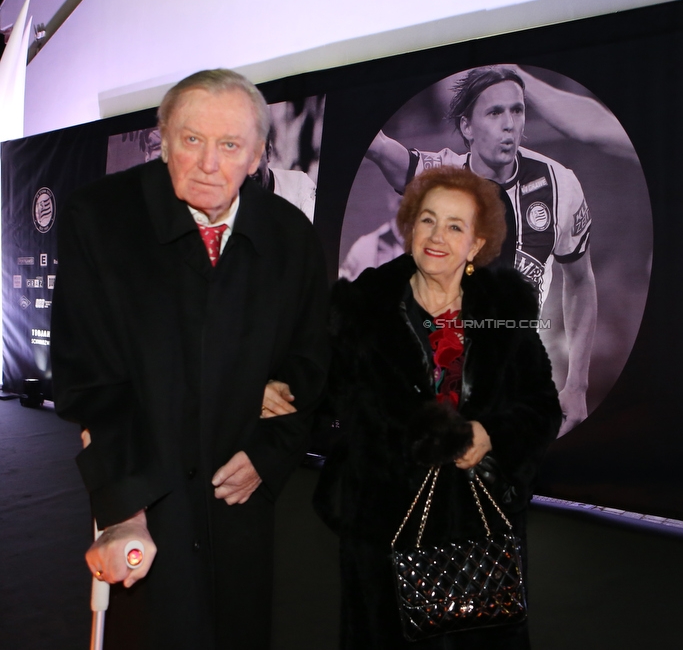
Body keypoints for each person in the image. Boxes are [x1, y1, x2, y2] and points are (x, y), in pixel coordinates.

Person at [51, 69, 329, 650]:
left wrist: (269, 454)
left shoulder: (290, 235)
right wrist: (127, 505)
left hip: (241, 488)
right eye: (191, 140)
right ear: (163, 138)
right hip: (150, 488)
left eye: (230, 146)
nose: (209, 163)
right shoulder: (99, 219)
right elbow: (90, 375)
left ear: (257, 156)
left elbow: (310, 360)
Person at [263, 165, 562, 649]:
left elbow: (542, 409)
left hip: (477, 532)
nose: (437, 236)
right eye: (427, 220)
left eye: (455, 226)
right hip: (382, 530)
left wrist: (491, 434)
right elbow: (320, 383)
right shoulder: (365, 308)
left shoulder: (503, 314)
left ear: (477, 245)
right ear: (409, 226)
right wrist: (277, 389)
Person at [365, 65, 596, 436]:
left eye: (517, 110)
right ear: (467, 127)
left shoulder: (559, 184)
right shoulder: (440, 175)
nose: (510, 124)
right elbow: (380, 148)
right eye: (494, 112)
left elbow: (581, 281)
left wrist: (577, 385)